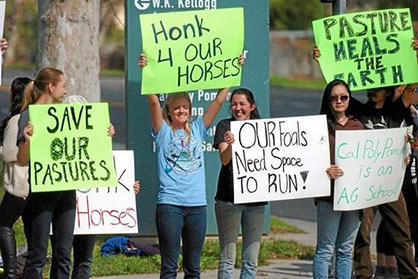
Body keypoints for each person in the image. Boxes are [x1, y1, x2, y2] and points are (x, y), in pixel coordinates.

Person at [138, 53, 244, 279]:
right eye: (176, 108)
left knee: (193, 269)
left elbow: (218, 101)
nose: (182, 111)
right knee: (169, 267)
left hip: (197, 207)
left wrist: (232, 69)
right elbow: (153, 101)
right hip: (170, 206)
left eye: (185, 107)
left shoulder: (197, 129)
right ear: (169, 112)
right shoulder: (163, 131)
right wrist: (146, 70)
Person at [16, 68, 114, 279]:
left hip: (67, 192)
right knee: (38, 254)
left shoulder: (67, 114)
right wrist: (27, 140)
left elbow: (87, 144)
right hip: (40, 194)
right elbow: (22, 160)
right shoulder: (29, 116)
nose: (66, 90)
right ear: (51, 87)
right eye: (63, 85)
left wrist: (104, 132)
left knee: (63, 253)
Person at [312, 79, 364, 279]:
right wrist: (324, 170)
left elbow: (368, 160)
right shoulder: (319, 127)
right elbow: (307, 160)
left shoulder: (357, 126)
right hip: (328, 197)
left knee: (345, 250)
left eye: (344, 97)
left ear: (350, 99)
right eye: (334, 97)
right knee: (325, 249)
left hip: (352, 198)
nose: (339, 101)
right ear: (328, 100)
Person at [212, 88, 265, 279]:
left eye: (242, 104)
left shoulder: (263, 128)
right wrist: (233, 144)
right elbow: (225, 160)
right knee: (228, 258)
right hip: (228, 200)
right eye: (234, 104)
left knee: (251, 260)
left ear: (252, 106)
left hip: (256, 201)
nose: (238, 108)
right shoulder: (224, 126)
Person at [0, 77, 32, 279]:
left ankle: (11, 271)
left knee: (3, 225)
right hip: (32, 187)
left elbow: (12, 153)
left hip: (19, 186)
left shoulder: (16, 120)